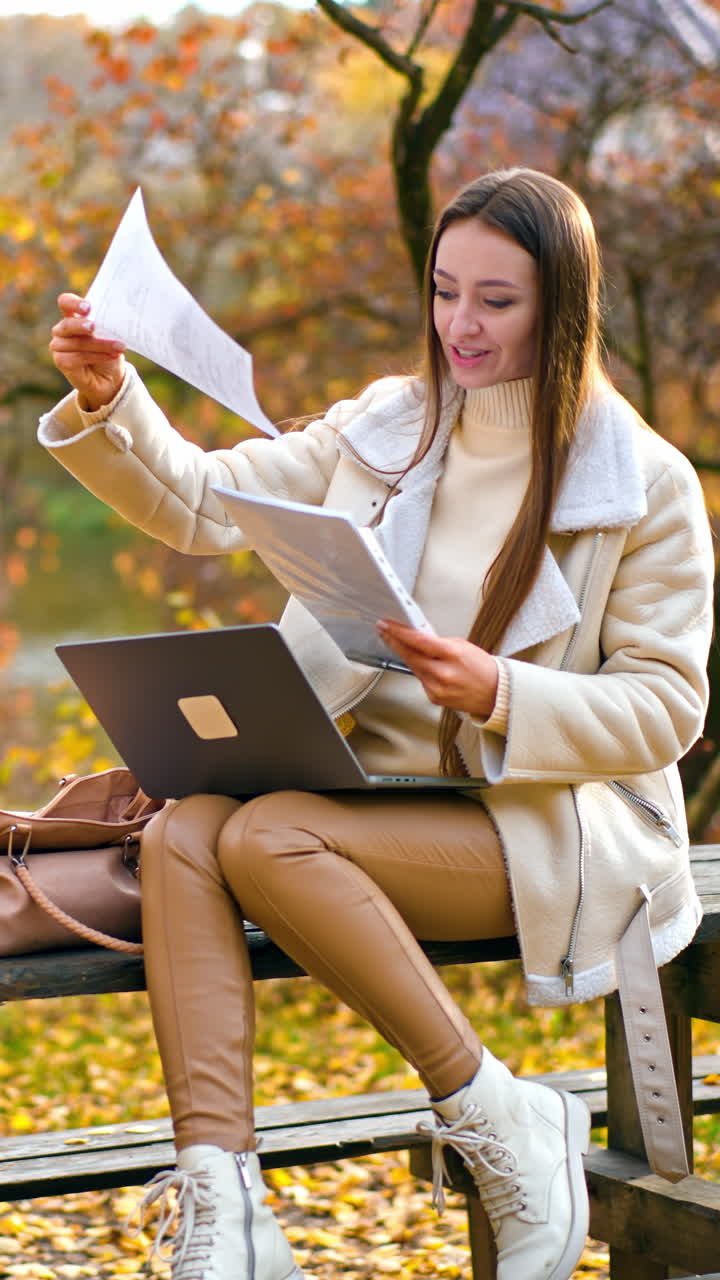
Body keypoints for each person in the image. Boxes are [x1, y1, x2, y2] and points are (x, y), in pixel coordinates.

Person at [39, 168, 714, 1280]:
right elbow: (203, 503)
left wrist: (500, 691)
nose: (460, 325)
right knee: (186, 829)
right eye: (445, 291)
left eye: (496, 300)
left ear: (561, 305)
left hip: (545, 822)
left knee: (264, 835)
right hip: (362, 795)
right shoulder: (386, 425)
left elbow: (667, 706)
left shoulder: (644, 481)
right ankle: (227, 1209)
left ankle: (497, 1114)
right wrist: (114, 396)